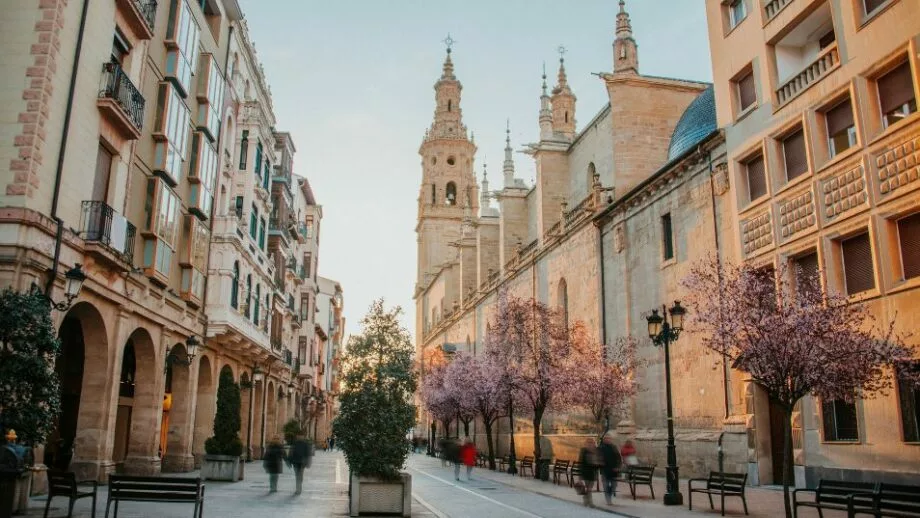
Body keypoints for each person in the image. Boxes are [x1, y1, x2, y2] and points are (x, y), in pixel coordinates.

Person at [599, 432, 622, 505]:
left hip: (614, 470)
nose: (607, 440)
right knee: (605, 486)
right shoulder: (601, 448)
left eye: (609, 438)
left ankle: (610, 495)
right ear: (603, 440)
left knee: (614, 485)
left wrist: (618, 467)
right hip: (604, 470)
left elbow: (618, 458)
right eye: (606, 438)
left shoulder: (614, 447)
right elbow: (598, 457)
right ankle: (608, 500)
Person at [578, 437, 599, 508]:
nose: (590, 444)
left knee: (589, 488)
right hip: (585, 472)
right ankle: (589, 502)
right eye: (589, 442)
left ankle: (586, 500)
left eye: (592, 442)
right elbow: (580, 463)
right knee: (587, 488)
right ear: (586, 443)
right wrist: (580, 475)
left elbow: (598, 462)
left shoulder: (596, 451)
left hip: (593, 473)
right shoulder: (583, 451)